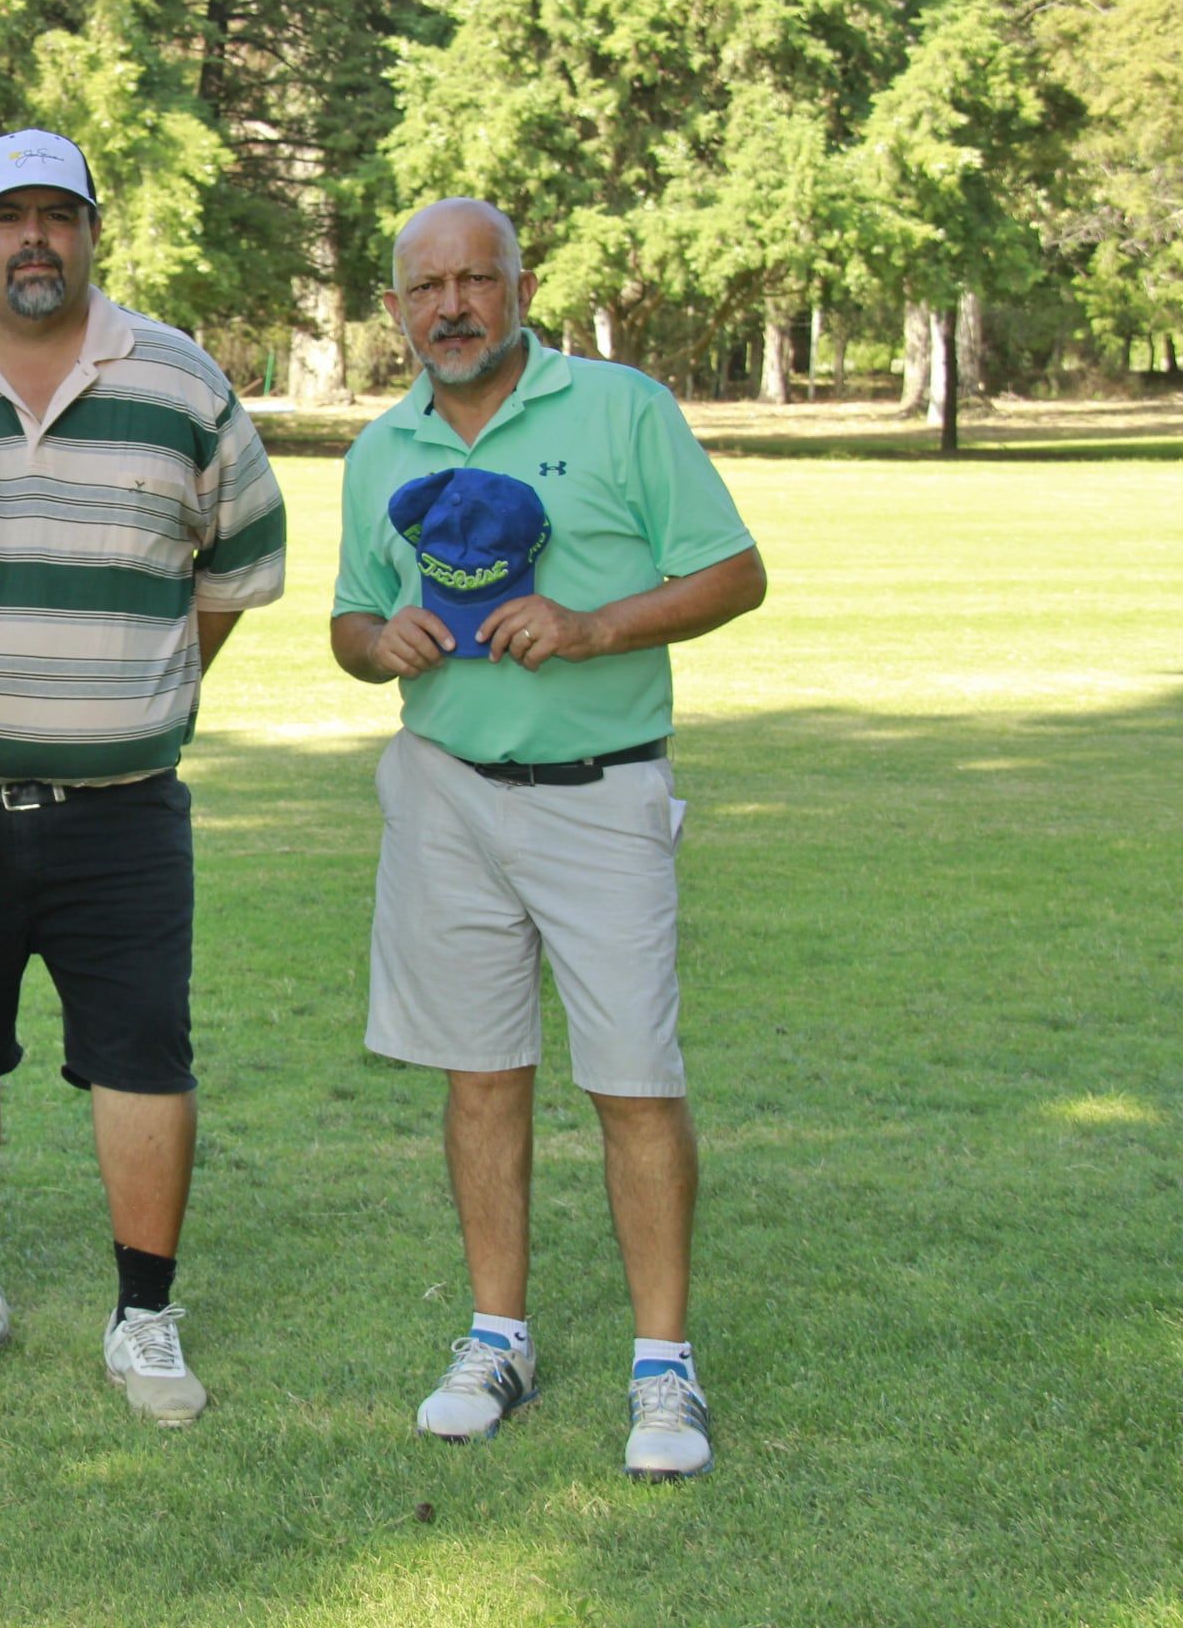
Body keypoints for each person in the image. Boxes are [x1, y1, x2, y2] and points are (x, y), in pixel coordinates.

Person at [330, 197, 765, 1480]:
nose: (451, 307)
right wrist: (377, 647)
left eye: (475, 281)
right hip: (444, 786)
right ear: (397, 307)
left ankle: (664, 1367)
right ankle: (498, 1337)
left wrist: (590, 627)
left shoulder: (622, 408)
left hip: (601, 788)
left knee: (633, 1077)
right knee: (480, 1074)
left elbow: (734, 573)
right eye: (425, 288)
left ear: (521, 290)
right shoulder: (378, 449)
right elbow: (354, 623)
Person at [0, 129, 286, 1427]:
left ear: (94, 229)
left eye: (61, 214)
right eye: (10, 214)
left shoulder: (176, 378)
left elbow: (235, 566)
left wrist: (133, 696)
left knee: (144, 1059)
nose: (34, 237)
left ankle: (144, 1315)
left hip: (123, 814)